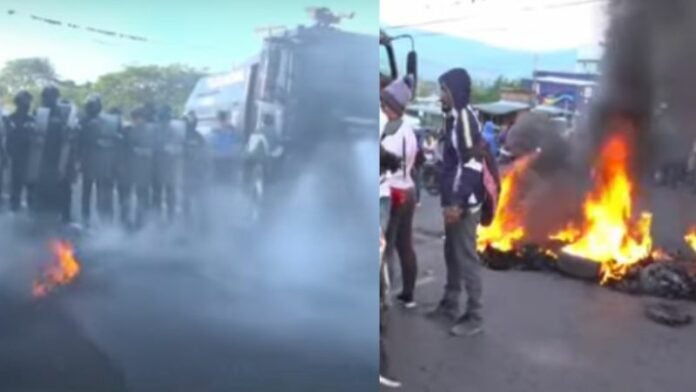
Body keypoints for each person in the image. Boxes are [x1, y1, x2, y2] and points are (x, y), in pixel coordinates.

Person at [428, 68, 486, 337]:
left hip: (464, 203)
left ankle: (475, 315)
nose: (441, 95)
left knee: (466, 258)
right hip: (453, 199)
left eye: (444, 90)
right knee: (451, 254)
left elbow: (472, 165)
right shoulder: (454, 117)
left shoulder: (464, 118)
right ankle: (450, 303)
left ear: (455, 92)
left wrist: (458, 203)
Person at [380, 77, 419, 308]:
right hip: (408, 189)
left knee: (387, 248)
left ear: (392, 108)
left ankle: (384, 299)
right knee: (405, 245)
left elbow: (385, 162)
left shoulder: (392, 132)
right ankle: (408, 294)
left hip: (394, 192)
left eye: (383, 105)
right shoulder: (409, 131)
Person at [33, 85, 76, 224]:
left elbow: (71, 134)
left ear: (56, 97)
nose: (45, 98)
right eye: (44, 96)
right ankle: (40, 217)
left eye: (49, 96)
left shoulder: (65, 112)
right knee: (42, 187)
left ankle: (65, 217)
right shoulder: (39, 113)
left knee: (64, 187)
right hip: (43, 157)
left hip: (62, 156)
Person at [77, 94, 121, 225]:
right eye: (89, 106)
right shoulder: (83, 121)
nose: (90, 108)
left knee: (104, 194)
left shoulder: (109, 121)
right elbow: (79, 142)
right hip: (89, 161)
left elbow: (118, 142)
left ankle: (106, 221)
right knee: (87, 193)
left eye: (92, 105)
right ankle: (86, 220)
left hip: (104, 163)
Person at [5, 90, 37, 213]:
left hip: (31, 157)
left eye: (29, 101)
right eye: (25, 101)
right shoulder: (10, 119)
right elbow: (9, 139)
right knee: (16, 186)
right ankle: (15, 210)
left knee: (31, 186)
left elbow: (37, 137)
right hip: (16, 157)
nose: (28, 104)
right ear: (18, 103)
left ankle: (31, 211)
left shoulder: (32, 119)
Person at [152, 105, 183, 220]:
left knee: (167, 195)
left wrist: (173, 149)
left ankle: (166, 219)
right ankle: (159, 219)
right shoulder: (157, 130)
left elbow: (179, 147)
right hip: (160, 167)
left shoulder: (173, 130)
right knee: (160, 195)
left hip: (167, 167)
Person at [127, 106, 156, 228]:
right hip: (140, 169)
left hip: (143, 170)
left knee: (142, 196)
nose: (135, 121)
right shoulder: (137, 130)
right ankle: (141, 221)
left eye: (135, 119)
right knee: (141, 196)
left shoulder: (142, 130)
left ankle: (142, 222)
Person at [182, 111, 209, 228]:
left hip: (196, 172)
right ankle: (187, 223)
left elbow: (205, 155)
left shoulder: (198, 137)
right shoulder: (183, 136)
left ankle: (201, 224)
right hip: (187, 172)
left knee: (199, 200)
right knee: (187, 200)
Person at [210, 110, 243, 184]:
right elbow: (238, 143)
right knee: (226, 180)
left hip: (221, 158)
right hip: (226, 158)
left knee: (221, 180)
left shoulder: (215, 131)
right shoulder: (231, 129)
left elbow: (212, 144)